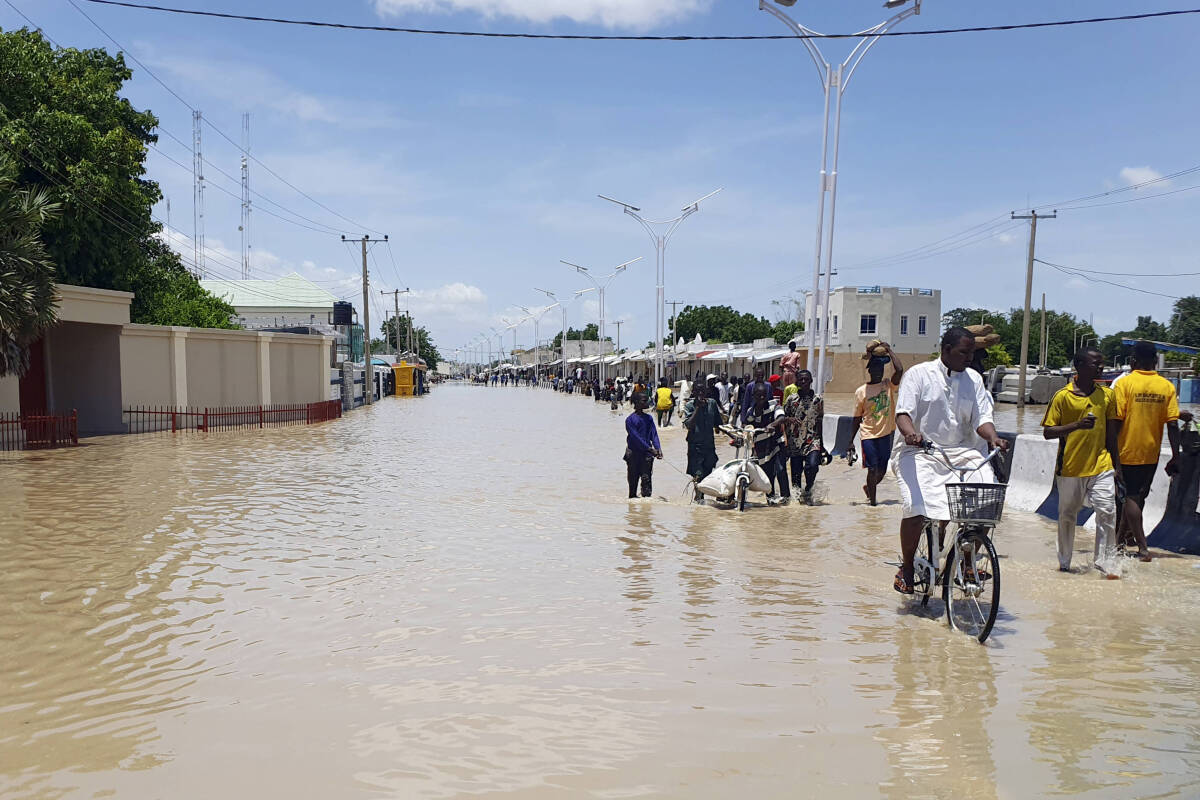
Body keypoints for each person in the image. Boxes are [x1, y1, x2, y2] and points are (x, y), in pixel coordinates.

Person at [892, 327, 1008, 595]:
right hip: (918, 450)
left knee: (986, 502)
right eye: (963, 352)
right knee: (915, 506)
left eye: (971, 353)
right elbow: (903, 414)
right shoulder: (919, 375)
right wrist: (911, 434)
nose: (969, 358)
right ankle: (907, 567)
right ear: (946, 350)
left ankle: (966, 562)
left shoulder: (974, 380)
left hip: (960, 451)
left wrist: (993, 438)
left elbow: (982, 420)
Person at [1041, 346, 1122, 577]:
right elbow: (1048, 432)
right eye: (1095, 363)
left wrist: (1117, 467)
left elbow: (1111, 434)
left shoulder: (1107, 394)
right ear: (1079, 367)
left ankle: (1104, 563)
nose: (1101, 367)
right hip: (1070, 467)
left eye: (1101, 363)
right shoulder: (1062, 396)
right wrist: (1076, 425)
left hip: (1101, 464)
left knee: (1107, 511)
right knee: (1067, 515)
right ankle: (1065, 562)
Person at [1112, 340, 1193, 561]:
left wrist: (1113, 455)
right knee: (1139, 498)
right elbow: (1173, 424)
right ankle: (1119, 543)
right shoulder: (1166, 386)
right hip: (1152, 452)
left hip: (1127, 450)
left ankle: (1142, 547)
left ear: (1133, 360)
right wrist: (1175, 455)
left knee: (1129, 497)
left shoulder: (1124, 384)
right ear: (1156, 361)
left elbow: (1116, 421)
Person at [849, 342, 904, 506]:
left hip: (886, 434)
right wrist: (849, 441)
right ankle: (873, 503)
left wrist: (889, 350)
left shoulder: (888, 385)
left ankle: (869, 488)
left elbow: (899, 370)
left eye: (881, 370)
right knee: (872, 469)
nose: (879, 373)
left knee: (881, 471)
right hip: (868, 434)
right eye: (875, 370)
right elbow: (857, 418)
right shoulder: (861, 391)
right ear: (870, 371)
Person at [782, 370, 823, 505]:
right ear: (797, 382)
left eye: (806, 379)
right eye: (801, 380)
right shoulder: (791, 399)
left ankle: (808, 489)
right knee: (796, 477)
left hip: (813, 440)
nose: (803, 382)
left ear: (811, 381)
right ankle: (797, 505)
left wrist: (822, 444)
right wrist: (786, 442)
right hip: (795, 441)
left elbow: (820, 421)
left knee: (812, 466)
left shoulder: (818, 399)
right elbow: (783, 419)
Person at [746, 384, 791, 504]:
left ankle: (786, 498)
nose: (761, 398)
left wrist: (773, 424)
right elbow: (747, 427)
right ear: (753, 396)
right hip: (761, 447)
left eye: (763, 395)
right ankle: (770, 500)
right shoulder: (751, 413)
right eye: (758, 395)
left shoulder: (774, 405)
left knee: (781, 470)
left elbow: (781, 417)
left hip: (777, 443)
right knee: (768, 475)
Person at [683, 381, 722, 503]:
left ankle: (702, 503)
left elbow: (719, 424)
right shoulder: (689, 406)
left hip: (709, 447)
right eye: (697, 391)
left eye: (702, 391)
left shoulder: (712, 403)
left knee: (707, 476)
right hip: (695, 448)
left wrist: (733, 435)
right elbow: (689, 425)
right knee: (698, 476)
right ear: (693, 392)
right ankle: (699, 502)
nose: (700, 393)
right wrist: (698, 408)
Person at [624, 390, 662, 498]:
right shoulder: (630, 420)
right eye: (644, 401)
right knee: (633, 484)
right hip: (633, 455)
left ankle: (645, 513)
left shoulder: (649, 418)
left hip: (647, 456)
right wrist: (650, 449)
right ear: (637, 402)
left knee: (646, 483)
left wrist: (658, 448)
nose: (647, 403)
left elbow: (654, 434)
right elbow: (636, 438)